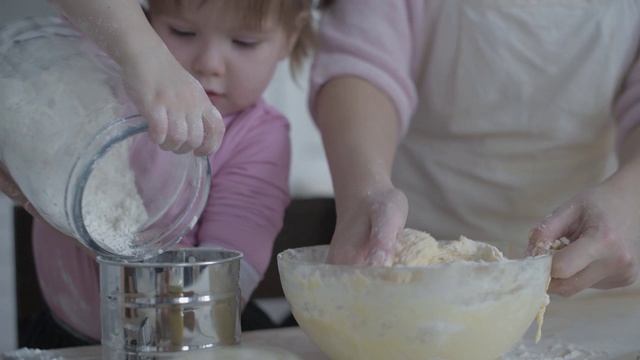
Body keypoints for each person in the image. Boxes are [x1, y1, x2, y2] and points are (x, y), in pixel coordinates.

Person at [8, 0, 315, 349]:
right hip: (68, 335)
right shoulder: (106, 65)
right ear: (145, 19)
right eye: (182, 32)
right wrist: (143, 54)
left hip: (191, 336)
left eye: (244, 42)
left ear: (290, 38)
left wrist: (110, 245)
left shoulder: (261, 137)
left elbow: (230, 265)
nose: (209, 64)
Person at [310, 1, 640, 297]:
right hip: (412, 275)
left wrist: (629, 196)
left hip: (597, 271)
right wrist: (365, 189)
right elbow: (362, 66)